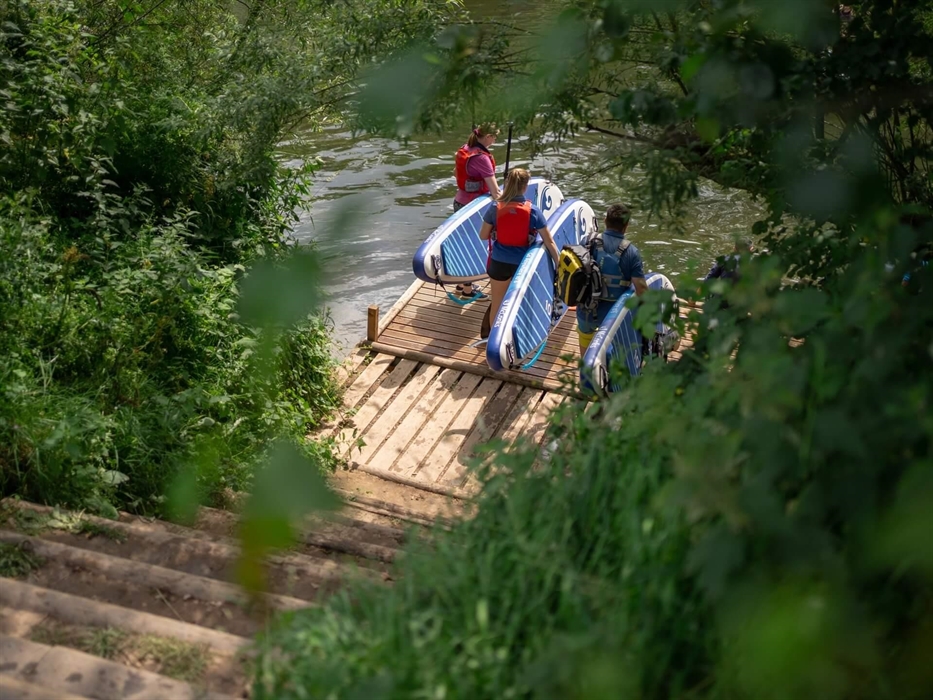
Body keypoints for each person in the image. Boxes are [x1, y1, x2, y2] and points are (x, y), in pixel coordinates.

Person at [478, 168, 559, 339]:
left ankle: (493, 341)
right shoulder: (534, 211)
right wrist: (560, 265)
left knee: (497, 305)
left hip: (499, 263)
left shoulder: (495, 208)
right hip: (522, 265)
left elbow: (483, 236)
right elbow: (549, 242)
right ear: (525, 186)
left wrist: (496, 232)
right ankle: (515, 341)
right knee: (520, 305)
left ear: (508, 184)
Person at [576, 203, 647, 354]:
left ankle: (587, 374)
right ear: (626, 225)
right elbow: (642, 291)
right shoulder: (631, 252)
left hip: (586, 310)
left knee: (586, 354)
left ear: (605, 220)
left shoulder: (587, 242)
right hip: (613, 317)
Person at [453, 124, 501, 297]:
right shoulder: (482, 158)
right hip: (473, 208)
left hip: (459, 202)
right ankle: (468, 290)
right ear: (487, 136)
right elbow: (495, 191)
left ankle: (459, 284)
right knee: (473, 247)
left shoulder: (465, 149)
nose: (495, 140)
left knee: (463, 244)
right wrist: (507, 204)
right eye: (494, 137)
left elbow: (455, 173)